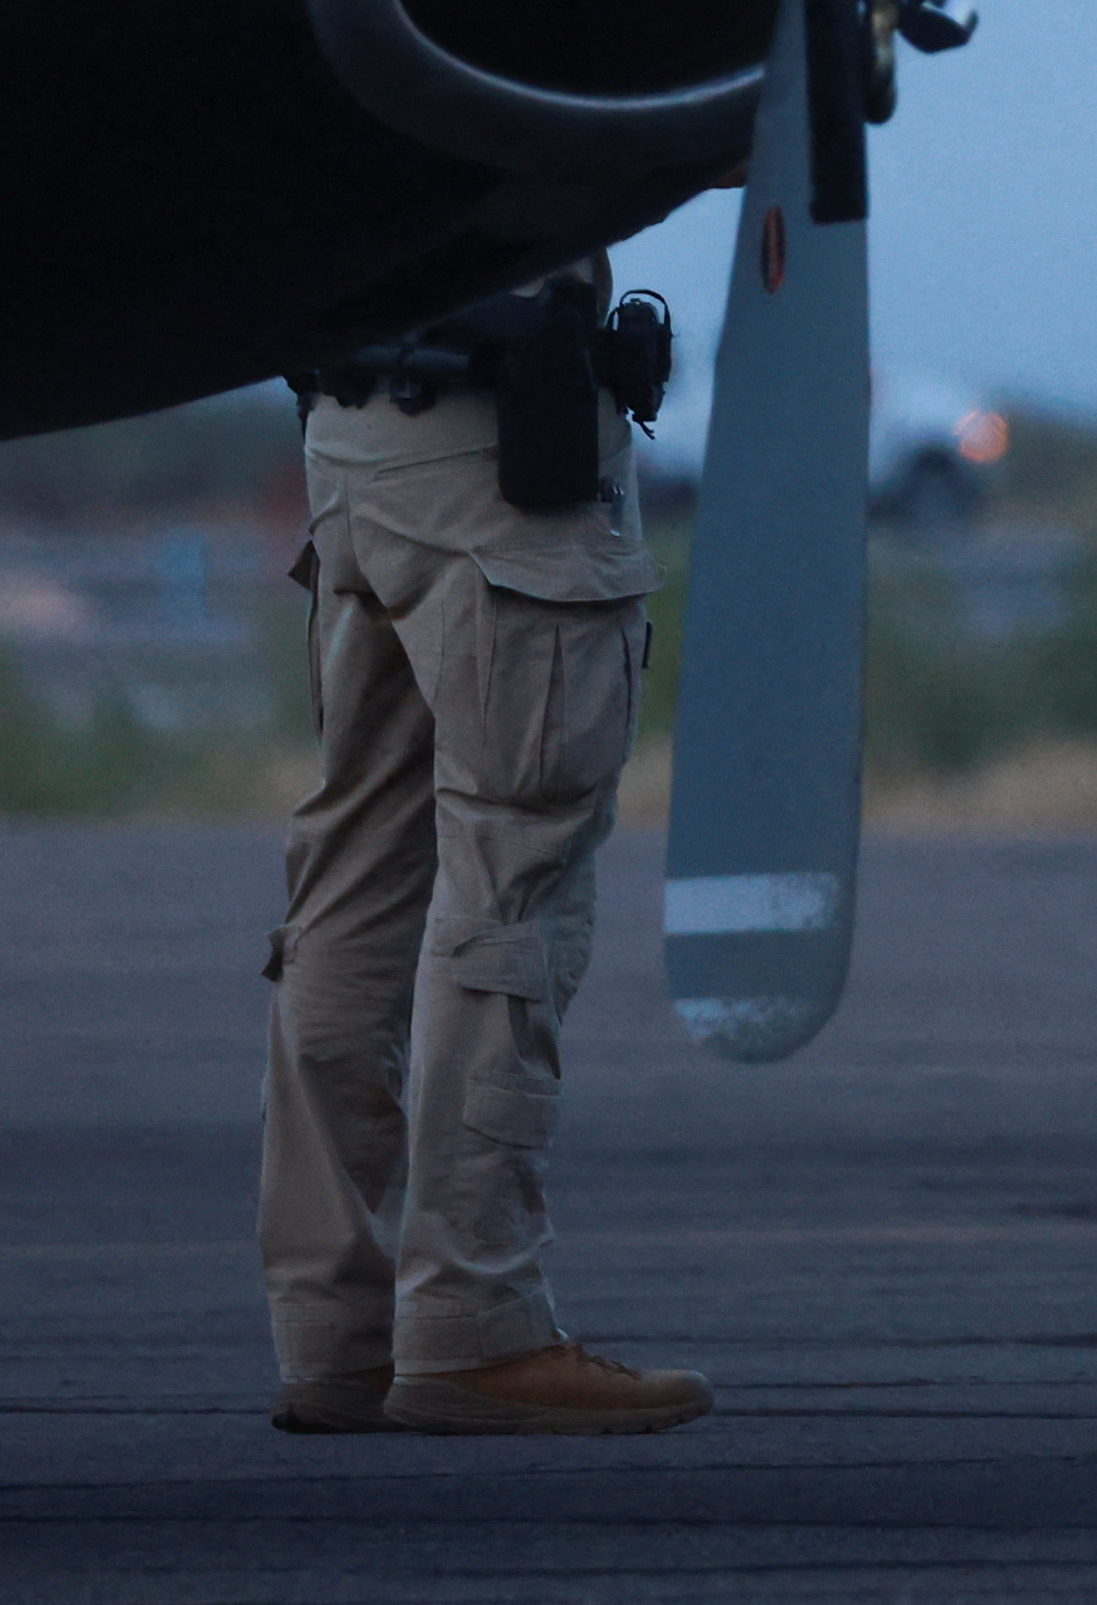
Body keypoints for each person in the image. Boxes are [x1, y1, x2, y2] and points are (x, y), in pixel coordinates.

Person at [258, 271, 718, 1439]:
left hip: (354, 443)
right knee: (511, 882)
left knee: (351, 880)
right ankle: (473, 1321)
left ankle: (332, 1338)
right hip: (494, 460)